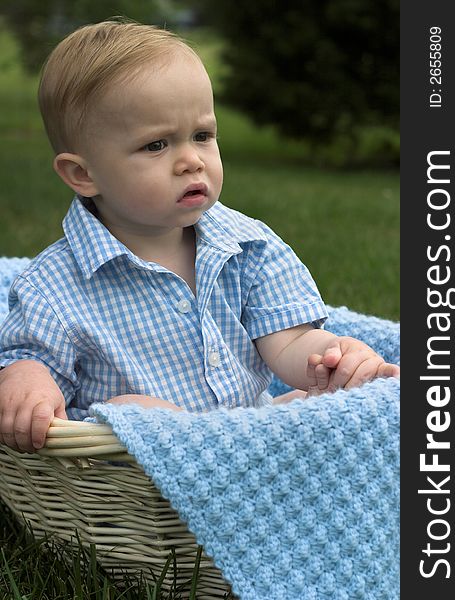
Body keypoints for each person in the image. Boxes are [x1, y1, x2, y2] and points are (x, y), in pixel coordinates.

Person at [0, 19, 399, 453]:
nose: (191, 160)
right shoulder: (54, 287)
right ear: (83, 174)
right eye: (157, 145)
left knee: (312, 404)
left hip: (248, 439)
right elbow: (31, 357)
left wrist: (337, 357)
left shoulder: (248, 247)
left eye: (202, 136)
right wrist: (28, 380)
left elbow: (290, 340)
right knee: (130, 408)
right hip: (143, 471)